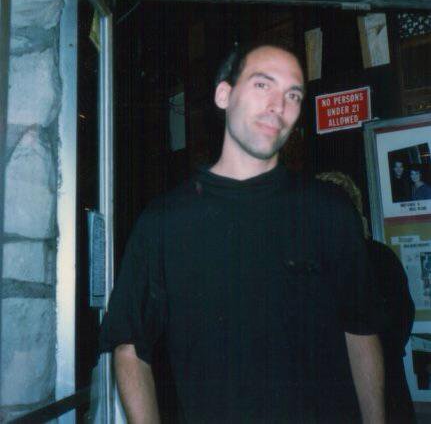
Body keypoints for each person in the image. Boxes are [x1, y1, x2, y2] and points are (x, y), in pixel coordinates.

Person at [99, 42, 385, 423]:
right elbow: (130, 347)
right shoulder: (165, 221)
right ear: (224, 95)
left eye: (293, 95)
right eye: (263, 85)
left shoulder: (328, 210)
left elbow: (361, 332)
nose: (278, 105)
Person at [317, 171, 416, 424]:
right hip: (383, 392)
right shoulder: (378, 255)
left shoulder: (374, 258)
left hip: (377, 394)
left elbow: (395, 324)